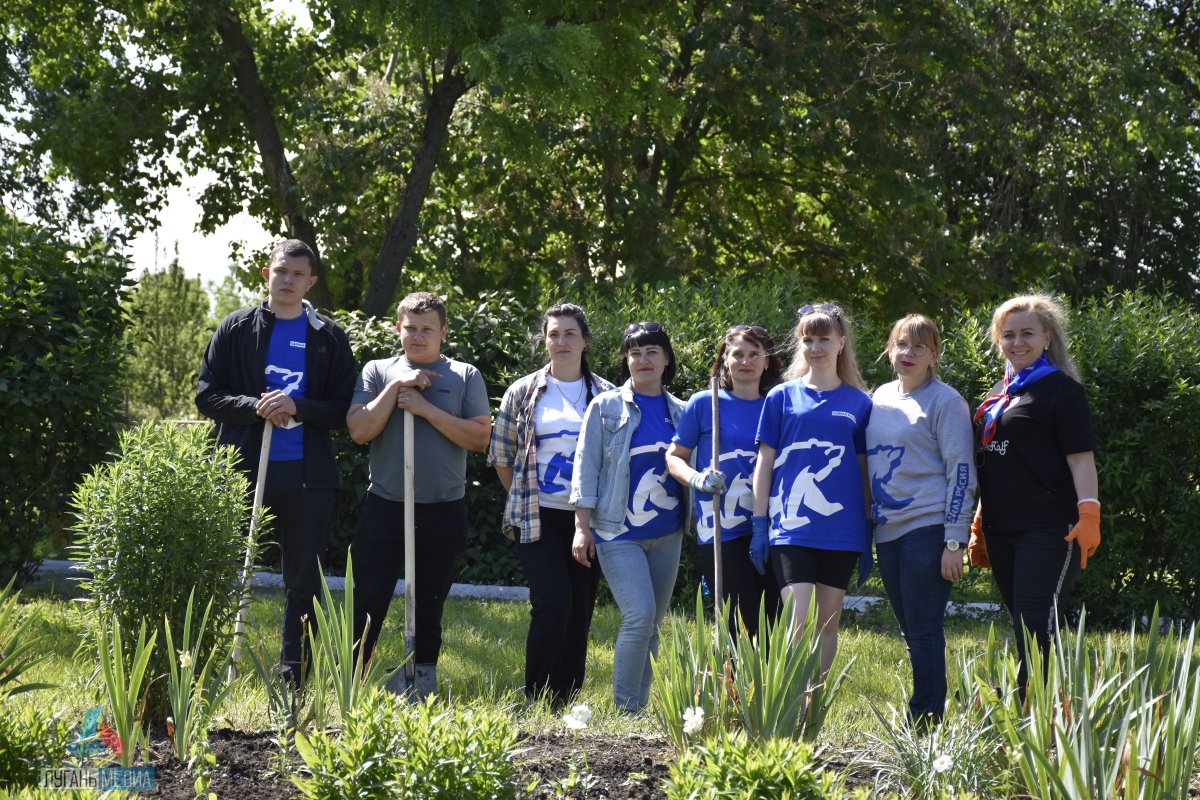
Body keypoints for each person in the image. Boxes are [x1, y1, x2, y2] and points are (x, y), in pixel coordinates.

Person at [196, 238, 357, 687]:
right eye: (280, 271)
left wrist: (297, 406)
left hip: (308, 474)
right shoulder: (236, 327)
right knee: (224, 566)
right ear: (267, 274)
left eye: (297, 274)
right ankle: (207, 666)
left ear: (311, 282)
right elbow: (207, 395)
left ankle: (293, 674)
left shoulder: (328, 336)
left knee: (302, 577)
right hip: (241, 467)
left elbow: (344, 407)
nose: (287, 280)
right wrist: (256, 406)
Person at [346, 291, 491, 699]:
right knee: (367, 599)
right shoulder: (377, 370)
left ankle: (420, 680)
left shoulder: (465, 375)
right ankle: (352, 682)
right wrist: (395, 389)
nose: (418, 336)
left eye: (427, 329)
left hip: (443, 509)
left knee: (429, 602)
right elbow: (359, 431)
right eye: (410, 328)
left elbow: (480, 437)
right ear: (398, 328)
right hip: (386, 505)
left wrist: (426, 409)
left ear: (443, 332)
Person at [968, 294, 1100, 693]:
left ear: (1047, 337)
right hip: (1000, 527)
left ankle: (1034, 713)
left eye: (1027, 333)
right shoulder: (998, 395)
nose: (1017, 342)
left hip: (1050, 527)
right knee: (1021, 620)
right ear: (998, 341)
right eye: (1008, 335)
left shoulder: (1061, 391)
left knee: (1034, 621)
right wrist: (979, 519)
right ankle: (1038, 708)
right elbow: (990, 461)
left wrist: (1089, 515)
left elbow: (1081, 461)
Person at [488, 303, 615, 706]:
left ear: (585, 340)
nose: (561, 342)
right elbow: (502, 457)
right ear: (545, 340)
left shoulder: (608, 395)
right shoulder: (523, 392)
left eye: (569, 334)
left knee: (579, 608)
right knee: (552, 601)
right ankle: (537, 696)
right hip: (537, 516)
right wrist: (525, 497)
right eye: (554, 334)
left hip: (590, 517)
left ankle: (567, 696)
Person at [570, 321, 687, 712]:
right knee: (639, 616)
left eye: (651, 351)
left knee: (653, 624)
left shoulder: (682, 412)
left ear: (666, 358)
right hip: (617, 531)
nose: (643, 360)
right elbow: (586, 467)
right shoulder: (604, 407)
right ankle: (624, 709)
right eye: (635, 353)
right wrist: (581, 528)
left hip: (667, 534)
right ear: (626, 360)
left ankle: (638, 705)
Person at [751, 302, 871, 679]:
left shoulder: (861, 403)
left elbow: (865, 470)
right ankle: (789, 705)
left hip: (843, 530)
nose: (815, 347)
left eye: (823, 339)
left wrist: (868, 529)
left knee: (828, 626)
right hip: (791, 526)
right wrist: (759, 523)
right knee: (797, 624)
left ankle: (813, 708)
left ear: (840, 344)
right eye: (808, 339)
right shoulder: (781, 397)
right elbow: (764, 464)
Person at [866, 314, 976, 724]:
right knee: (910, 629)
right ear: (889, 350)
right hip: (888, 530)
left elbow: (961, 472)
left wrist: (953, 540)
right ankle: (925, 708)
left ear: (934, 354)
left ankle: (926, 718)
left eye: (919, 347)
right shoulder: (879, 396)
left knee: (924, 627)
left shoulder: (945, 401)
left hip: (928, 528)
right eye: (901, 345)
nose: (908, 353)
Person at [666, 324, 784, 639]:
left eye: (754, 354)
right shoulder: (706, 403)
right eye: (738, 355)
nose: (746, 362)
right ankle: (727, 687)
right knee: (731, 623)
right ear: (725, 360)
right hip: (721, 528)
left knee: (772, 620)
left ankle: (769, 688)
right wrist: (696, 478)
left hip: (773, 526)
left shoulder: (779, 404)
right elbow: (674, 456)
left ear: (767, 360)